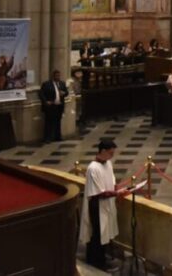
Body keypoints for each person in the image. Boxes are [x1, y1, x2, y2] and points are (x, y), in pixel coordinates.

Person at [79, 139, 125, 270]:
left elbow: (111, 181)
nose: (112, 156)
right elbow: (98, 193)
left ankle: (101, 259)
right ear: (103, 151)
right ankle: (96, 262)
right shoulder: (93, 168)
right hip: (96, 206)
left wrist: (118, 189)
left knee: (104, 233)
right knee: (97, 236)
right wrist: (117, 193)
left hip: (107, 204)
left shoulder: (108, 163)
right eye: (110, 153)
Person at [39, 69, 69, 143]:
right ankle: (47, 138)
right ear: (53, 76)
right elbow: (41, 93)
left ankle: (57, 136)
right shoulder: (47, 84)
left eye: (59, 75)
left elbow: (66, 92)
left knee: (58, 122)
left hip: (59, 106)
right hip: (51, 106)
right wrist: (46, 101)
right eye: (56, 75)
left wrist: (64, 93)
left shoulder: (62, 83)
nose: (58, 77)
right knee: (49, 122)